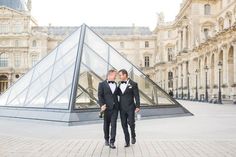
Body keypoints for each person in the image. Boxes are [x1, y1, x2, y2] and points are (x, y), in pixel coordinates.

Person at [118, 69, 140, 147]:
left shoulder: (133, 84)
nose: (119, 77)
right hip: (122, 108)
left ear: (125, 75)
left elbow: (137, 96)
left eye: (120, 75)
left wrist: (137, 106)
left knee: (131, 123)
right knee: (124, 124)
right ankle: (127, 141)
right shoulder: (119, 84)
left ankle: (133, 136)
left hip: (130, 107)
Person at [97, 69, 119, 149]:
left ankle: (112, 142)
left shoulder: (116, 84)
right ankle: (106, 139)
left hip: (115, 108)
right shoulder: (102, 84)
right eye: (114, 75)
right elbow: (100, 95)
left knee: (114, 125)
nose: (116, 76)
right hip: (106, 108)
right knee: (106, 125)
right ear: (109, 75)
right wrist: (102, 105)